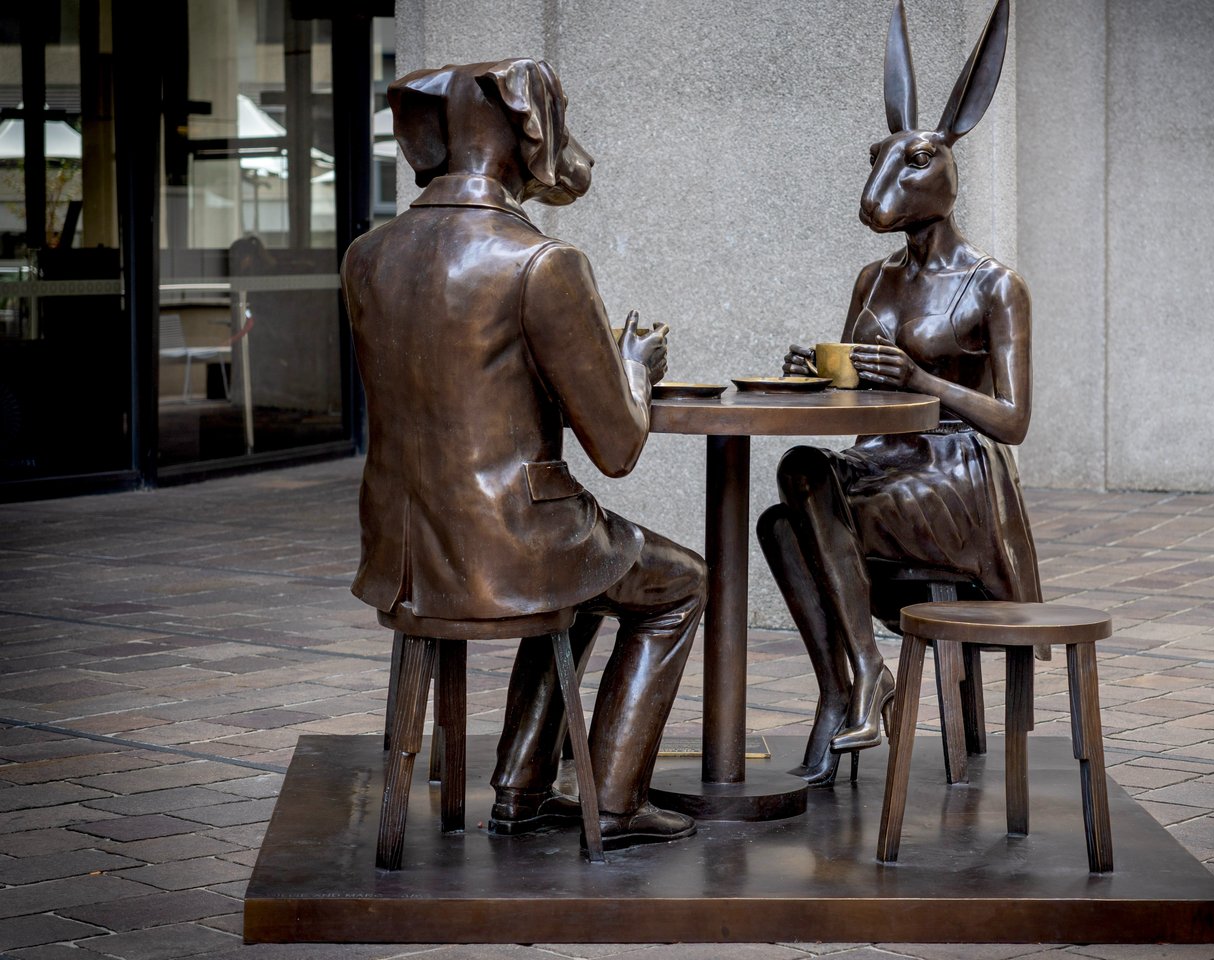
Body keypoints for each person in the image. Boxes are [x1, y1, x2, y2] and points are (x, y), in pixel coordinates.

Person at [342, 58, 705, 848]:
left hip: (405, 550)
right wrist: (634, 368)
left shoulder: (368, 256)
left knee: (594, 573)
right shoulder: (542, 262)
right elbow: (616, 446)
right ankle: (613, 798)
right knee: (678, 584)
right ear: (524, 135)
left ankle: (523, 787)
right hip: (512, 543)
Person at [757, 0, 1039, 787]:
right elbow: (855, 386)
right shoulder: (873, 279)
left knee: (797, 518)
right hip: (878, 462)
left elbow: (1013, 421)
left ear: (946, 170)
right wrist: (819, 373)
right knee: (790, 498)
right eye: (883, 160)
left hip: (954, 475)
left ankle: (855, 686)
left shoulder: (994, 286)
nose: (885, 184)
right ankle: (857, 678)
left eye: (911, 161)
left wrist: (925, 380)